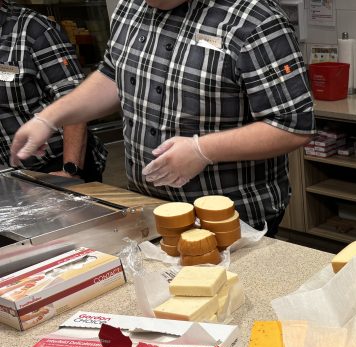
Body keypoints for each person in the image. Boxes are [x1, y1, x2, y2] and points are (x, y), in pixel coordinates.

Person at [11, 0, 314, 236]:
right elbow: (113, 76)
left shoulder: (256, 20)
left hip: (234, 215)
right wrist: (50, 117)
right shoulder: (133, 8)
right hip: (147, 206)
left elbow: (292, 125)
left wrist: (203, 150)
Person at [0, 0, 106, 181]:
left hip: (56, 164)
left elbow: (74, 98)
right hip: (12, 173)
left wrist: (70, 170)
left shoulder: (34, 29)